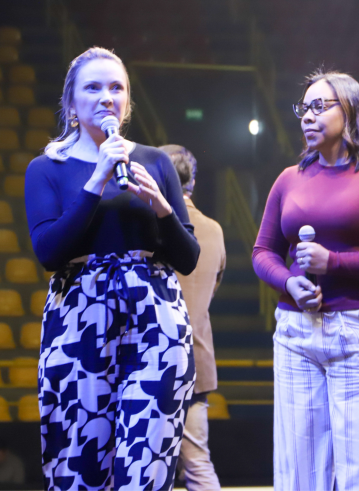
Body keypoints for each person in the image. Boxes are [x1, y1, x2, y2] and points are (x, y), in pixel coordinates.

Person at [25, 47, 200, 491]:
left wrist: (161, 207)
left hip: (155, 321)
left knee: (145, 466)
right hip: (80, 320)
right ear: (71, 104)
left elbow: (188, 258)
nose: (107, 96)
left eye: (116, 87)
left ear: (127, 102)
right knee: (79, 466)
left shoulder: (156, 162)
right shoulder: (47, 168)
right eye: (93, 87)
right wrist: (95, 180)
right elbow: (49, 252)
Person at [252, 70, 359, 491]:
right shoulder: (288, 179)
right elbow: (263, 252)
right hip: (296, 333)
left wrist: (335, 264)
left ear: (349, 110)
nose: (307, 117)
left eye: (318, 106)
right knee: (297, 476)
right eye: (303, 108)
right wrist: (288, 284)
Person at [161, 144, 225, 491]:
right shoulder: (214, 229)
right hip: (197, 361)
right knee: (198, 462)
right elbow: (211, 289)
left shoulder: (149, 226)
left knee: (148, 466)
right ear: (193, 183)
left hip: (151, 360)